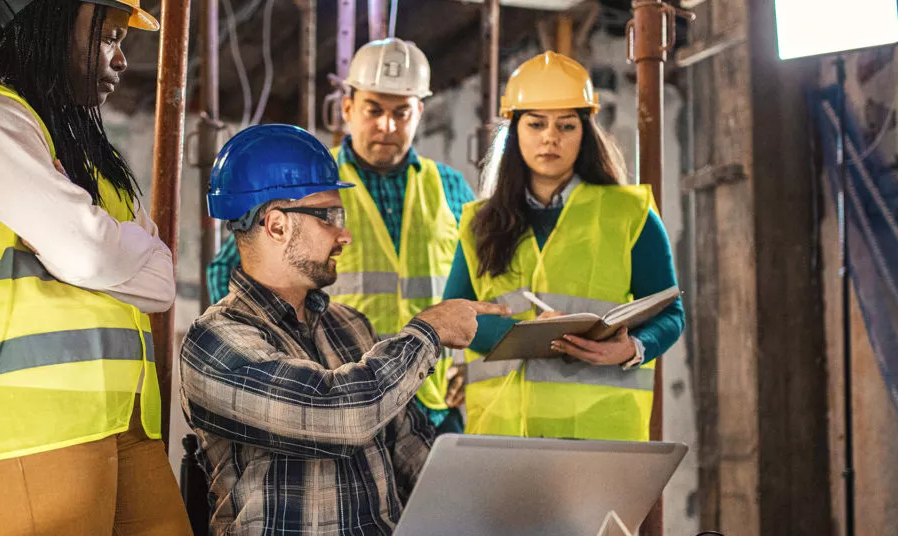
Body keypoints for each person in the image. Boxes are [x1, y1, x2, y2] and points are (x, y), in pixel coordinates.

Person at [0, 1, 191, 533]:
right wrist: (99, 248)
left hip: (125, 417)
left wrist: (90, 245)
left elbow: (162, 281)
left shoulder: (84, 151)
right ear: (50, 20)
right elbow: (88, 253)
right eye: (106, 37)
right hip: (32, 425)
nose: (120, 60)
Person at [181, 124, 510, 535]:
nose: (345, 234)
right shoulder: (215, 343)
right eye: (329, 217)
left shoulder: (350, 326)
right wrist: (428, 331)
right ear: (277, 225)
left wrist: (500, 507)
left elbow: (411, 449)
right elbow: (340, 414)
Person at [206, 38, 476, 435]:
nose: (387, 125)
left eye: (401, 112)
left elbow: (477, 282)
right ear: (348, 107)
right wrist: (274, 356)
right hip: (339, 394)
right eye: (374, 110)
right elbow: (229, 270)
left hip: (430, 400)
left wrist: (468, 364)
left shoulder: (450, 187)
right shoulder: (311, 184)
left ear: (419, 111)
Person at [443, 51, 686, 440]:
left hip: (600, 433)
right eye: (536, 124)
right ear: (515, 129)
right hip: (502, 434)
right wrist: (523, 333)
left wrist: (634, 348)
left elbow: (671, 313)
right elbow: (454, 317)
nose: (550, 137)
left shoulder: (629, 213)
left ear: (585, 131)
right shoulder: (478, 223)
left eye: (566, 125)